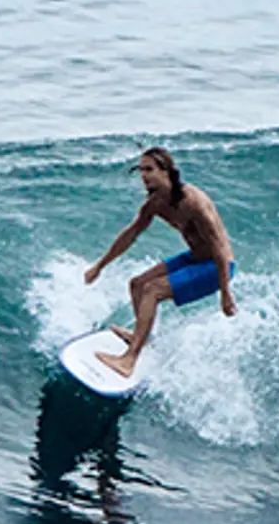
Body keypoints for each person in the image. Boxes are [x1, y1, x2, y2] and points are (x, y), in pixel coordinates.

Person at [81, 147, 234, 378]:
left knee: (152, 290)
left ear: (166, 171)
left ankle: (128, 361)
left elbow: (219, 248)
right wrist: (99, 266)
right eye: (141, 170)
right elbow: (130, 235)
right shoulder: (156, 203)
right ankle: (141, 338)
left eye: (149, 169)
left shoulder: (194, 201)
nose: (143, 175)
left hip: (217, 266)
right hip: (195, 258)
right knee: (137, 284)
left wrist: (225, 292)